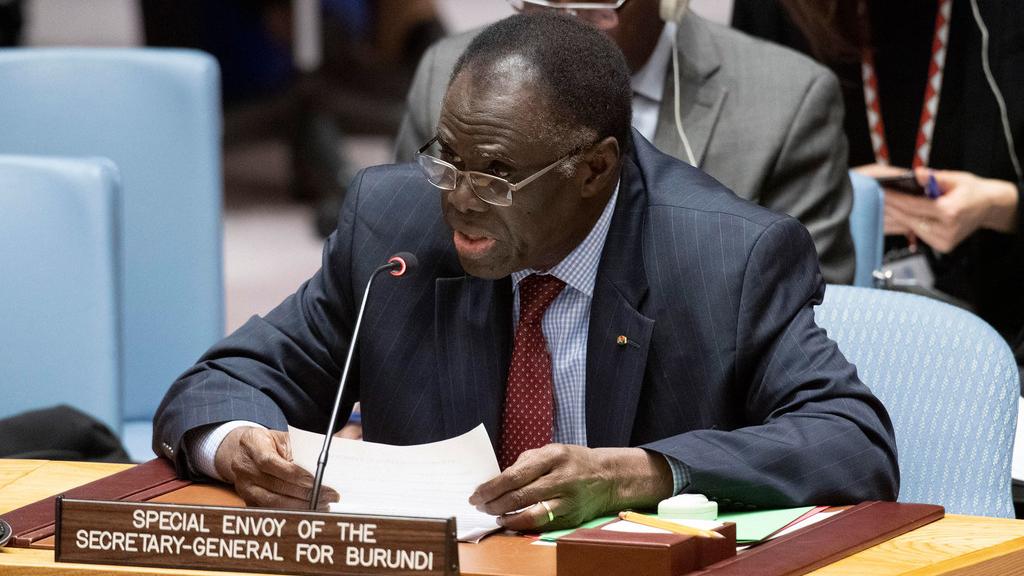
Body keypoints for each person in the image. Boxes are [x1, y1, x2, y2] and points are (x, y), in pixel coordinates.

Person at [154, 12, 898, 529]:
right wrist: (236, 440)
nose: (460, 199)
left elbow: (852, 439)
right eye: (447, 158)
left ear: (593, 169)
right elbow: (219, 384)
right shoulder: (394, 228)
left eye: (499, 173)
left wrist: (644, 474)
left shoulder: (725, 259)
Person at [394, 0, 858, 285]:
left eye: (599, 3)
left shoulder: (787, 101)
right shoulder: (450, 73)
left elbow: (808, 312)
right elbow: (407, 261)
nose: (566, 21)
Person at [733, 0, 1023, 389]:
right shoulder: (778, 12)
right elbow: (737, 200)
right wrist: (822, 188)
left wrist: (1002, 205)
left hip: (1001, 328)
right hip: (815, 338)